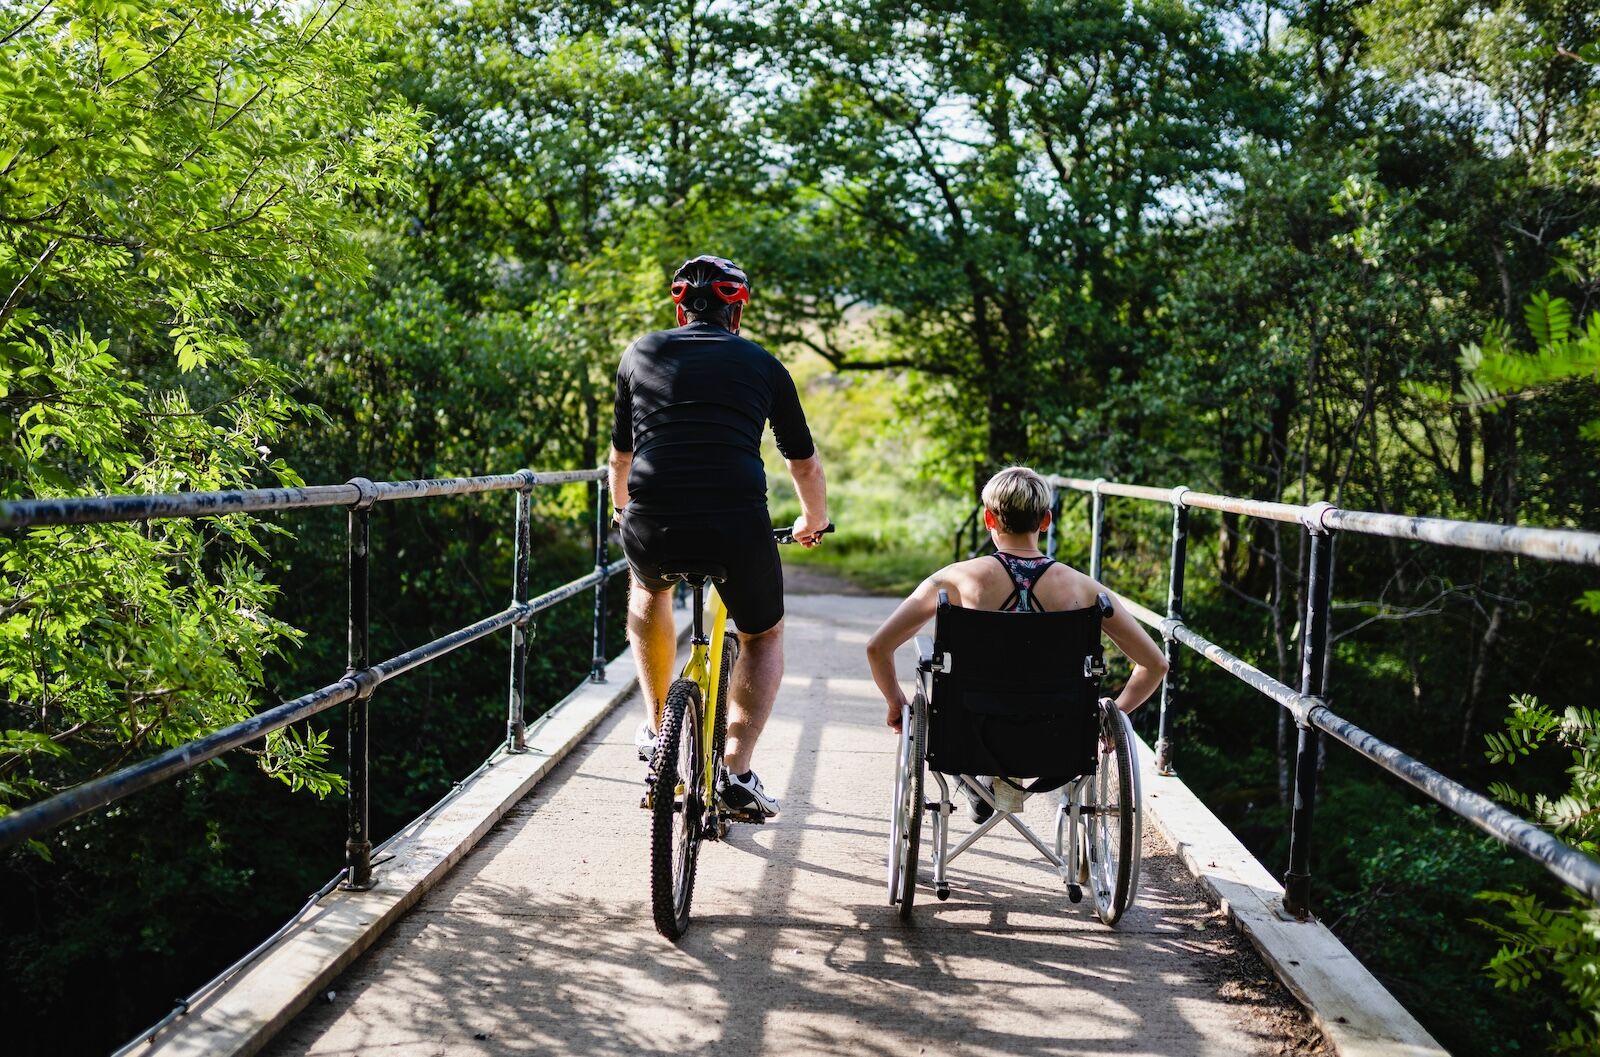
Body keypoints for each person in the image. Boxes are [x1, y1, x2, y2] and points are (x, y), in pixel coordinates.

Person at [608, 254, 830, 820]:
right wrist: (811, 521)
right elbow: (801, 463)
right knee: (763, 634)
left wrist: (622, 513)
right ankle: (735, 768)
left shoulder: (641, 354)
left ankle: (661, 732)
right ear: (737, 310)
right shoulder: (764, 365)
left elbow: (621, 459)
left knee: (648, 591)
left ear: (680, 307)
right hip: (736, 522)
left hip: (654, 517)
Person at [864, 465, 1167, 821]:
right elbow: (1155, 664)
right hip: (1058, 739)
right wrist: (1114, 717)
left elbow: (877, 647)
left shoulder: (954, 580)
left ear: (989, 519)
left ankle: (987, 779)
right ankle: (1003, 779)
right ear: (1046, 520)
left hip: (968, 734)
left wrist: (896, 702)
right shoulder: (1085, 590)